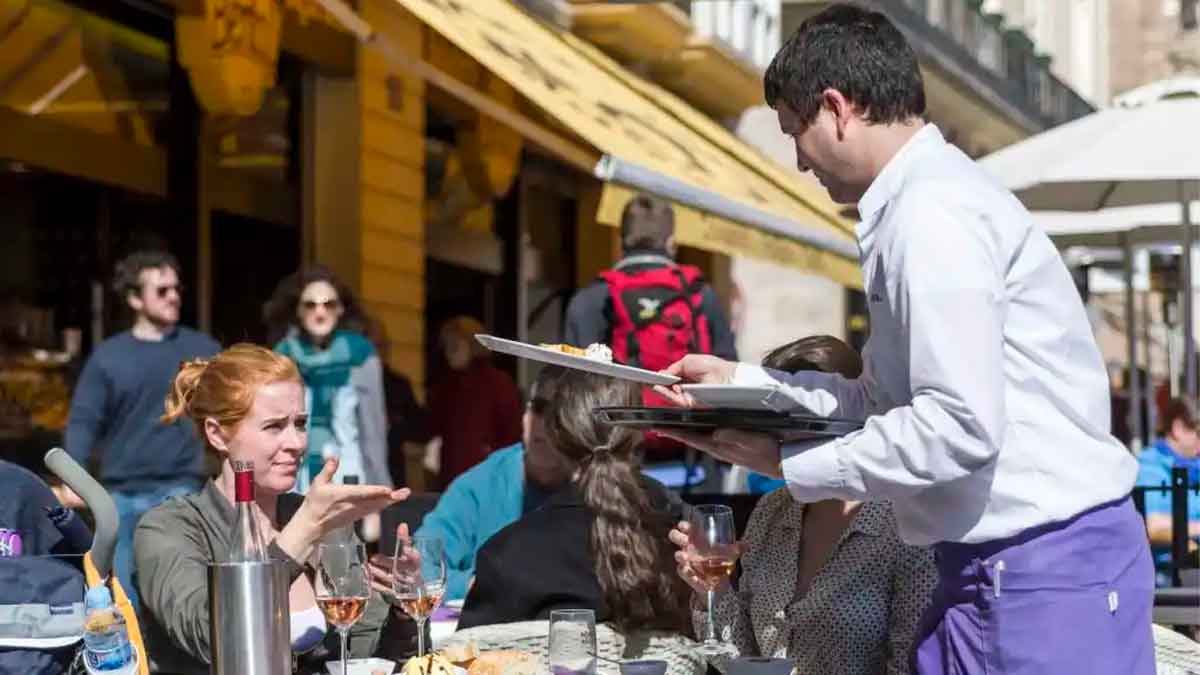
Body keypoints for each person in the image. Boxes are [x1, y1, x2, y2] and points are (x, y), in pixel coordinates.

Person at [656, 6, 1154, 673]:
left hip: (1039, 570)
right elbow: (880, 396)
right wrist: (745, 385)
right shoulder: (920, 205)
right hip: (1007, 570)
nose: (799, 162)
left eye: (793, 132)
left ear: (835, 108)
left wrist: (791, 464)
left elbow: (958, 425)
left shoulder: (930, 213)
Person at [134, 344, 413, 674]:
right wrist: (302, 533)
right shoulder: (168, 529)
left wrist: (403, 610)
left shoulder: (324, 521)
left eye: (300, 423)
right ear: (217, 435)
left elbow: (361, 651)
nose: (296, 443)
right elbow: (208, 636)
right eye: (274, 427)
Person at [669, 336, 935, 674]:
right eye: (768, 419)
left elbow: (913, 666)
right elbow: (743, 660)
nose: (774, 436)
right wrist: (715, 591)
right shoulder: (773, 511)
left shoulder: (906, 527)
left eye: (793, 419)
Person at [456, 367, 689, 633]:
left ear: (556, 433)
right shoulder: (685, 539)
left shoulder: (506, 556)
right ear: (637, 431)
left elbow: (463, 663)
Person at [64, 250, 220, 609]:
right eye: (162, 290)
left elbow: (231, 408)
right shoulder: (109, 356)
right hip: (119, 496)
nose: (174, 296)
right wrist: (75, 478)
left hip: (180, 489)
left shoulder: (202, 350)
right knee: (121, 600)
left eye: (177, 289)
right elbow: (85, 421)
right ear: (135, 298)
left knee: (176, 594)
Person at [415, 365, 578, 601]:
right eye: (538, 408)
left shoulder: (600, 481)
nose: (543, 424)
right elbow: (420, 567)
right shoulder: (480, 485)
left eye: (559, 414)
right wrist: (480, 585)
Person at [264, 266, 391, 491]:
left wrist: (378, 495)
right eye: (310, 305)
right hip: (295, 481)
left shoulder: (361, 355)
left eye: (329, 304)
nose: (320, 312)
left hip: (350, 478)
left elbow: (374, 434)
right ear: (298, 311)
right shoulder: (282, 356)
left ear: (340, 309)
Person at [425, 316, 522, 489]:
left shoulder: (498, 383)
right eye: (446, 346)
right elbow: (433, 429)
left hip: (489, 479)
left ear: (473, 346)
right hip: (452, 480)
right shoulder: (445, 387)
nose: (449, 352)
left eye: (455, 345)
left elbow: (512, 435)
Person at [1135, 397, 1200, 586]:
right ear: (1178, 428)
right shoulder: (1149, 467)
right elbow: (1154, 527)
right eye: (1198, 433)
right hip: (1166, 579)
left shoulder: (1195, 466)